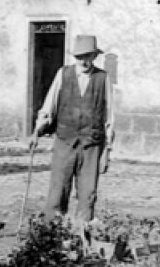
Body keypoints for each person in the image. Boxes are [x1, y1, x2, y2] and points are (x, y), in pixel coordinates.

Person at [30, 34, 115, 222]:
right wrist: (37, 130)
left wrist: (107, 151)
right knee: (57, 192)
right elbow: (49, 105)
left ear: (94, 56)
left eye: (88, 56)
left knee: (88, 195)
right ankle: (52, 238)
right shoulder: (63, 74)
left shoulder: (103, 78)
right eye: (80, 57)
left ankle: (81, 240)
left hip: (92, 145)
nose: (84, 61)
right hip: (65, 142)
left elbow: (109, 117)